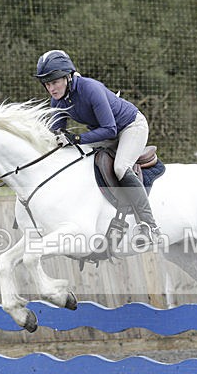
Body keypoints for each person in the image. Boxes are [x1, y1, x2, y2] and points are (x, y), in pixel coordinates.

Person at [34, 49, 160, 245]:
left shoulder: (90, 88)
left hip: (130, 127)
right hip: (105, 133)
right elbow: (56, 133)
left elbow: (110, 129)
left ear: (68, 77)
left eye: (55, 82)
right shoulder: (58, 100)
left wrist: (76, 138)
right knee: (76, 158)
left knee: (120, 168)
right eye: (47, 84)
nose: (51, 88)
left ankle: (149, 226)